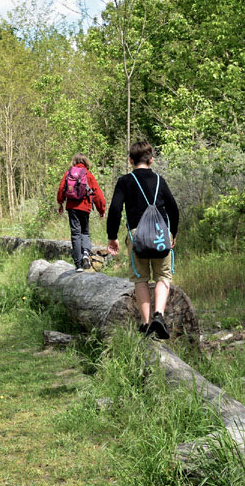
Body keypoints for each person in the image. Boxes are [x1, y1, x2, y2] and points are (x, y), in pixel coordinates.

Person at [106, 140, 180, 339]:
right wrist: (173, 232)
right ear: (151, 160)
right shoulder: (159, 180)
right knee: (163, 275)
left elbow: (114, 209)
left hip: (137, 235)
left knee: (140, 279)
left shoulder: (125, 181)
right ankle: (159, 315)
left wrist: (112, 237)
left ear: (130, 160)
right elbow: (173, 209)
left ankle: (146, 323)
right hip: (160, 236)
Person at [56, 155, 105, 271]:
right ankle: (85, 254)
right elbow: (98, 194)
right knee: (84, 232)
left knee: (75, 234)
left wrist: (60, 203)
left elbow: (61, 188)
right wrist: (101, 210)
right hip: (85, 207)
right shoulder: (88, 175)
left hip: (72, 207)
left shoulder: (68, 174)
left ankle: (78, 264)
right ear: (86, 162)